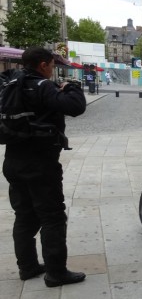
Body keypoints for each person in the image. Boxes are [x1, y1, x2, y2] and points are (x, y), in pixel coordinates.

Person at [2, 47, 87, 287]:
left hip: (13, 161)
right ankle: (56, 272)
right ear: (43, 65)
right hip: (40, 162)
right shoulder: (41, 86)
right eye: (51, 65)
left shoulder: (11, 84)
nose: (52, 69)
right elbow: (76, 106)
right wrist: (71, 86)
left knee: (24, 215)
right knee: (52, 217)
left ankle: (27, 267)